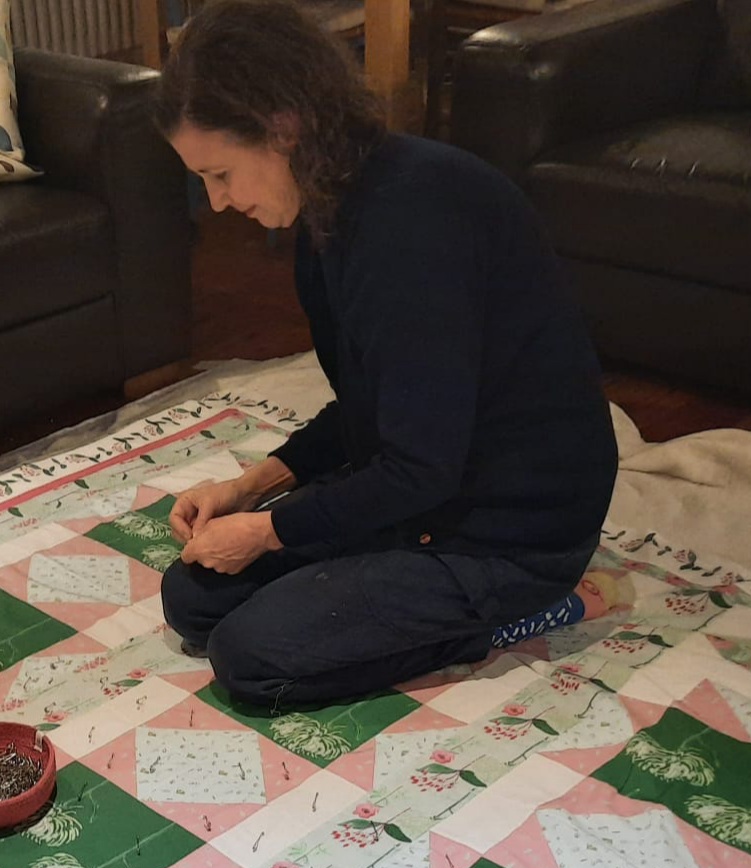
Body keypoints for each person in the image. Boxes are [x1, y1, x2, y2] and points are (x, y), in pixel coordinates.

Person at [157, 0, 618, 709]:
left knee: (249, 660)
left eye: (221, 174)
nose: (218, 204)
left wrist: (270, 529)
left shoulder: (411, 223)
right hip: (428, 488)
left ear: (283, 129)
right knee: (191, 597)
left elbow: (419, 464)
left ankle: (515, 614)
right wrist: (251, 488)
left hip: (511, 529)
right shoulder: (326, 211)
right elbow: (377, 405)